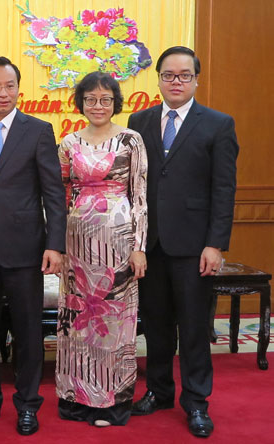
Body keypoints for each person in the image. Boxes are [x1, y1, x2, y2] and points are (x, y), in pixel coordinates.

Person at [128, 46, 239, 438]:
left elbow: (224, 189)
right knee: (156, 327)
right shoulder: (138, 122)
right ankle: (158, 392)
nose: (176, 81)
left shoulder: (218, 124)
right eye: (169, 75)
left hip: (195, 247)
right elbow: (133, 186)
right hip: (150, 246)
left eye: (184, 75)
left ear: (196, 79)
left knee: (193, 329)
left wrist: (216, 243)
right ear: (157, 79)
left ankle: (195, 402)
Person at [0, 56, 67, 436]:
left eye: (9, 86)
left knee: (27, 331)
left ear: (19, 89)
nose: (2, 93)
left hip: (25, 249)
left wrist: (55, 245)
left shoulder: (38, 130)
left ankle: (27, 405)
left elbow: (54, 193)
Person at [55, 72, 147, 428]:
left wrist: (138, 247)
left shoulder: (131, 140)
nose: (97, 105)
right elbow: (61, 197)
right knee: (78, 321)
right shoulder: (68, 143)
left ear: (115, 103)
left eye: (105, 99)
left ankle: (111, 403)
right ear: (81, 102)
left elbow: (139, 198)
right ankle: (76, 400)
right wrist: (58, 247)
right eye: (91, 99)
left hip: (119, 243)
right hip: (76, 244)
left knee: (114, 321)